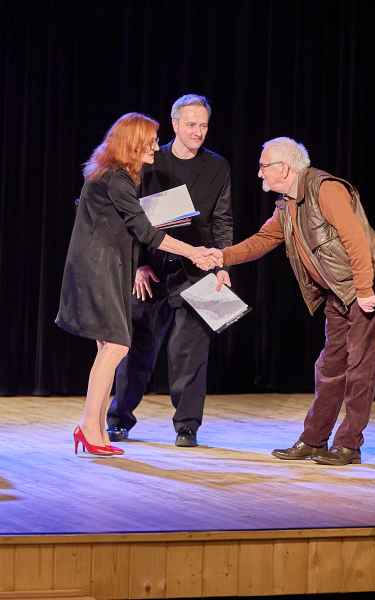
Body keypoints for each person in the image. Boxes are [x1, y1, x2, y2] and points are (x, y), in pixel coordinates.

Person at [216, 137, 375, 466]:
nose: (259, 173)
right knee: (330, 365)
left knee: (359, 366)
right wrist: (221, 256)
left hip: (364, 282)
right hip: (337, 290)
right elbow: (262, 240)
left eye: (264, 166)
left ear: (284, 168)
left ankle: (349, 445)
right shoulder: (286, 205)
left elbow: (355, 238)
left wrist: (365, 290)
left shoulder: (326, 189)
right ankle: (314, 440)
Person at [55, 112, 222, 456]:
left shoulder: (113, 175)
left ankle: (95, 428)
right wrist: (194, 252)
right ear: (132, 143)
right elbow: (146, 232)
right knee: (117, 346)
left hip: (105, 267)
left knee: (108, 347)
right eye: (149, 142)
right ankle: (89, 426)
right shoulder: (116, 178)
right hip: (100, 269)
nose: (155, 148)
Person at [106, 94, 232, 448]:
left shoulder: (218, 166)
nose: (198, 132)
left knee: (191, 352)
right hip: (151, 271)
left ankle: (187, 426)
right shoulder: (150, 160)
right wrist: (138, 265)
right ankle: (119, 419)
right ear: (175, 124)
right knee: (136, 350)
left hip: (198, 268)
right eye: (191, 125)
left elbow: (222, 220)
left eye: (203, 125)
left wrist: (223, 264)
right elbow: (130, 221)